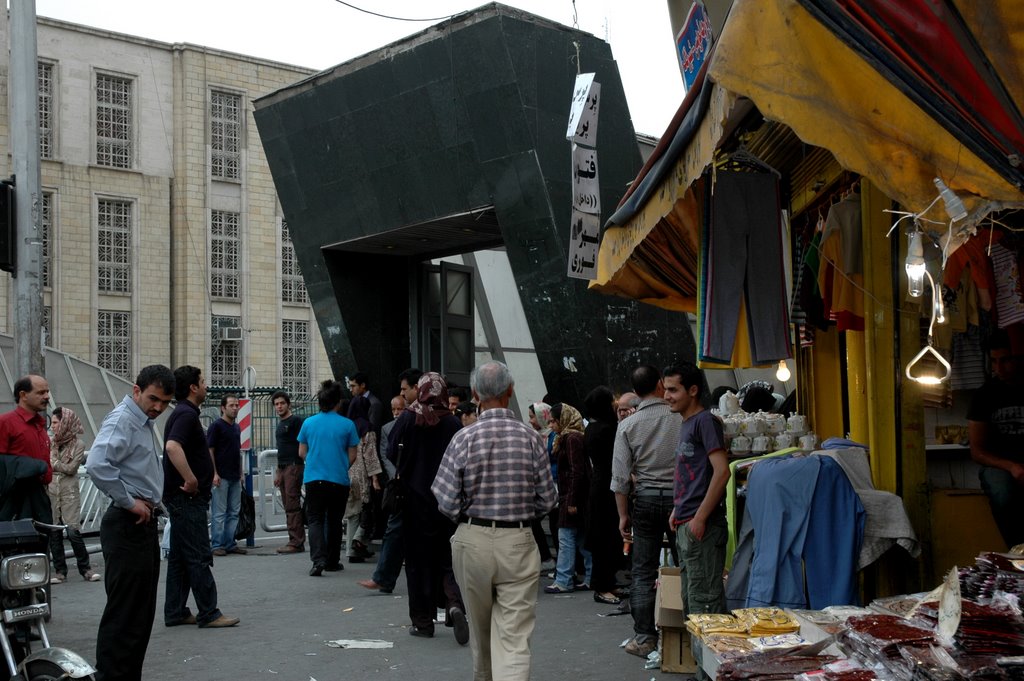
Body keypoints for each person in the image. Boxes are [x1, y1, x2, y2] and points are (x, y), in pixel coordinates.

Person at [433, 361, 557, 680]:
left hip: (472, 539)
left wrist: (468, 513)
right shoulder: (531, 439)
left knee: (481, 631)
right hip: (517, 540)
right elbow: (547, 498)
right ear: (510, 391)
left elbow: (444, 499)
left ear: (474, 394)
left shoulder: (463, 438)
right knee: (514, 638)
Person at [86, 364, 175, 681]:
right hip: (126, 523)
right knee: (126, 615)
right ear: (136, 390)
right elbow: (97, 463)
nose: (158, 407)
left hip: (141, 522)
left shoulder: (143, 422)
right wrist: (129, 501)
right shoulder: (124, 418)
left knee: (139, 615)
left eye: (164, 402)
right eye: (153, 399)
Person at [388, 372, 467, 643]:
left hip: (413, 501)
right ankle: (454, 604)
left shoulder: (410, 418)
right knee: (446, 559)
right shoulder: (453, 422)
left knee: (417, 563)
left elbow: (390, 450)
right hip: (446, 503)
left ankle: (423, 621)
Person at [610, 364, 683, 658]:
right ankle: (690, 629)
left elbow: (619, 478)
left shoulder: (627, 425)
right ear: (658, 385)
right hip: (682, 501)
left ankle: (644, 637)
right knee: (687, 566)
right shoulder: (680, 417)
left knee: (642, 570)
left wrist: (623, 515)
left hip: (646, 500)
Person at [162, 365, 239, 629]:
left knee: (181, 558)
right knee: (197, 555)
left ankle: (176, 611)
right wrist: (191, 479)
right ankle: (209, 612)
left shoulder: (184, 413)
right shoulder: (185, 414)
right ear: (193, 387)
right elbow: (173, 447)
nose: (206, 385)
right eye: (203, 381)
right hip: (187, 498)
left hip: (183, 499)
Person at [663, 363, 730, 621]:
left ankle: (708, 662)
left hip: (701, 525)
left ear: (692, 390)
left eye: (673, 389)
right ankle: (699, 661)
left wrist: (699, 517)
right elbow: (694, 474)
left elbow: (722, 471)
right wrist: (678, 510)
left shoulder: (705, 422)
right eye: (666, 389)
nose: (667, 395)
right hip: (686, 522)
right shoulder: (687, 423)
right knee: (693, 603)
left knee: (705, 606)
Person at [969, 330, 1024, 548]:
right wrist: (1012, 466)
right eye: (993, 362)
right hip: (1000, 466)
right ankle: (1017, 550)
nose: (998, 369)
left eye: (1005, 360)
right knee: (1002, 491)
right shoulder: (985, 395)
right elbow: (977, 451)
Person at [299, 379, 359, 576]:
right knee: (334, 520)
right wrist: (340, 465)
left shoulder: (308, 423)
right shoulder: (348, 425)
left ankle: (318, 560)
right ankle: (333, 561)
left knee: (315, 519)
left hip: (314, 478)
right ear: (338, 402)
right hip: (338, 480)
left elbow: (302, 452)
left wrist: (315, 461)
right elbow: (353, 455)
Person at [358, 389, 414, 594]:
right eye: (394, 409)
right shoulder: (388, 428)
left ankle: (384, 578)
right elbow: (385, 454)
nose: (398, 412)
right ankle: (384, 578)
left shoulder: (416, 423)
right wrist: (395, 475)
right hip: (398, 484)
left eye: (401, 407)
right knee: (394, 530)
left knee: (396, 530)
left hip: (412, 485)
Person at [47, 407, 101, 584]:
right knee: (54, 533)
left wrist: (53, 462)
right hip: (53, 492)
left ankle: (85, 569)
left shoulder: (79, 445)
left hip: (69, 493)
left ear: (65, 423)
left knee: (73, 532)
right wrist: (56, 465)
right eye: (52, 422)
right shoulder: (50, 442)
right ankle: (60, 571)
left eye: (56, 422)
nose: (53, 426)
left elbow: (71, 469)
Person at [544, 403, 592, 594]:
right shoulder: (571, 436)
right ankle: (590, 576)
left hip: (571, 497)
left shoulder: (571, 438)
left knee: (566, 537)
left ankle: (563, 579)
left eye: (554, 421)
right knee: (580, 538)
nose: (551, 425)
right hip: (576, 496)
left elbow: (575, 471)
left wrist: (571, 500)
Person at [582, 386, 623, 605]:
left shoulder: (593, 428)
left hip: (600, 486)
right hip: (607, 487)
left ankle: (607, 582)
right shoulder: (606, 430)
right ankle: (601, 586)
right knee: (606, 537)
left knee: (606, 536)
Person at [0, 375, 54, 518]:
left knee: (43, 535)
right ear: (23, 395)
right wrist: (30, 466)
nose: (47, 396)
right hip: (14, 502)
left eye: (47, 392)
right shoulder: (6, 422)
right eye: (41, 392)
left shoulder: (40, 425)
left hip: (40, 497)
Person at [344, 395, 381, 563]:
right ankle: (357, 542)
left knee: (352, 513)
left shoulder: (346, 428)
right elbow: (370, 456)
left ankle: (351, 551)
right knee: (364, 511)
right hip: (362, 476)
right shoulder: (368, 430)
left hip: (346, 473)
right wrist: (375, 479)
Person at [208, 394, 246, 556]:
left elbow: (237, 451)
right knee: (219, 513)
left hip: (234, 476)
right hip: (221, 476)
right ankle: (217, 545)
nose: (235, 408)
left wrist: (240, 472)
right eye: (231, 405)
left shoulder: (237, 427)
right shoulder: (216, 426)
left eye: (237, 405)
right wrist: (214, 473)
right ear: (223, 408)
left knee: (233, 512)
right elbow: (210, 450)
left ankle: (230, 543)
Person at [272, 390, 306, 553]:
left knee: (292, 504)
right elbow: (281, 450)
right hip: (284, 467)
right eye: (276, 404)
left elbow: (304, 442)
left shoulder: (296, 421)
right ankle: (293, 539)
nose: (279, 406)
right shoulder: (279, 424)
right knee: (287, 504)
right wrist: (279, 473)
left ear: (288, 404)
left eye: (282, 403)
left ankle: (296, 542)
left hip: (294, 465)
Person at [527, 401, 557, 568]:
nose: (530, 421)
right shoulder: (536, 435)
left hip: (554, 485)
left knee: (554, 525)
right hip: (541, 486)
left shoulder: (554, 437)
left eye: (533, 417)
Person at [348, 372, 387, 436]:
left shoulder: (374, 404)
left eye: (353, 386)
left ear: (363, 385)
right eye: (350, 386)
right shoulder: (356, 401)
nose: (351, 389)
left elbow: (373, 431)